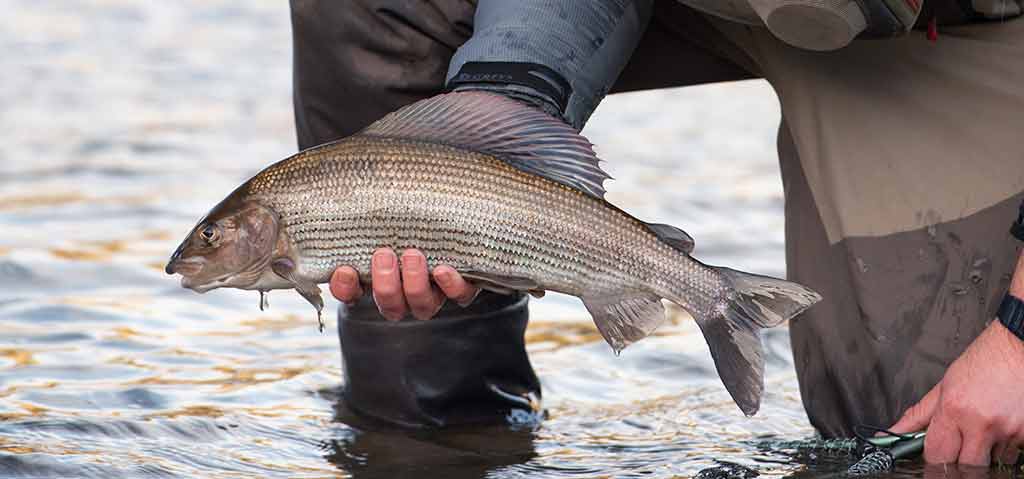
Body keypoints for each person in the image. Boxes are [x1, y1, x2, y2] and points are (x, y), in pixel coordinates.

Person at [289, 0, 1024, 466]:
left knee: (939, 442)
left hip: (953, 33)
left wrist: (1020, 332)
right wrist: (504, 107)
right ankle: (446, 447)